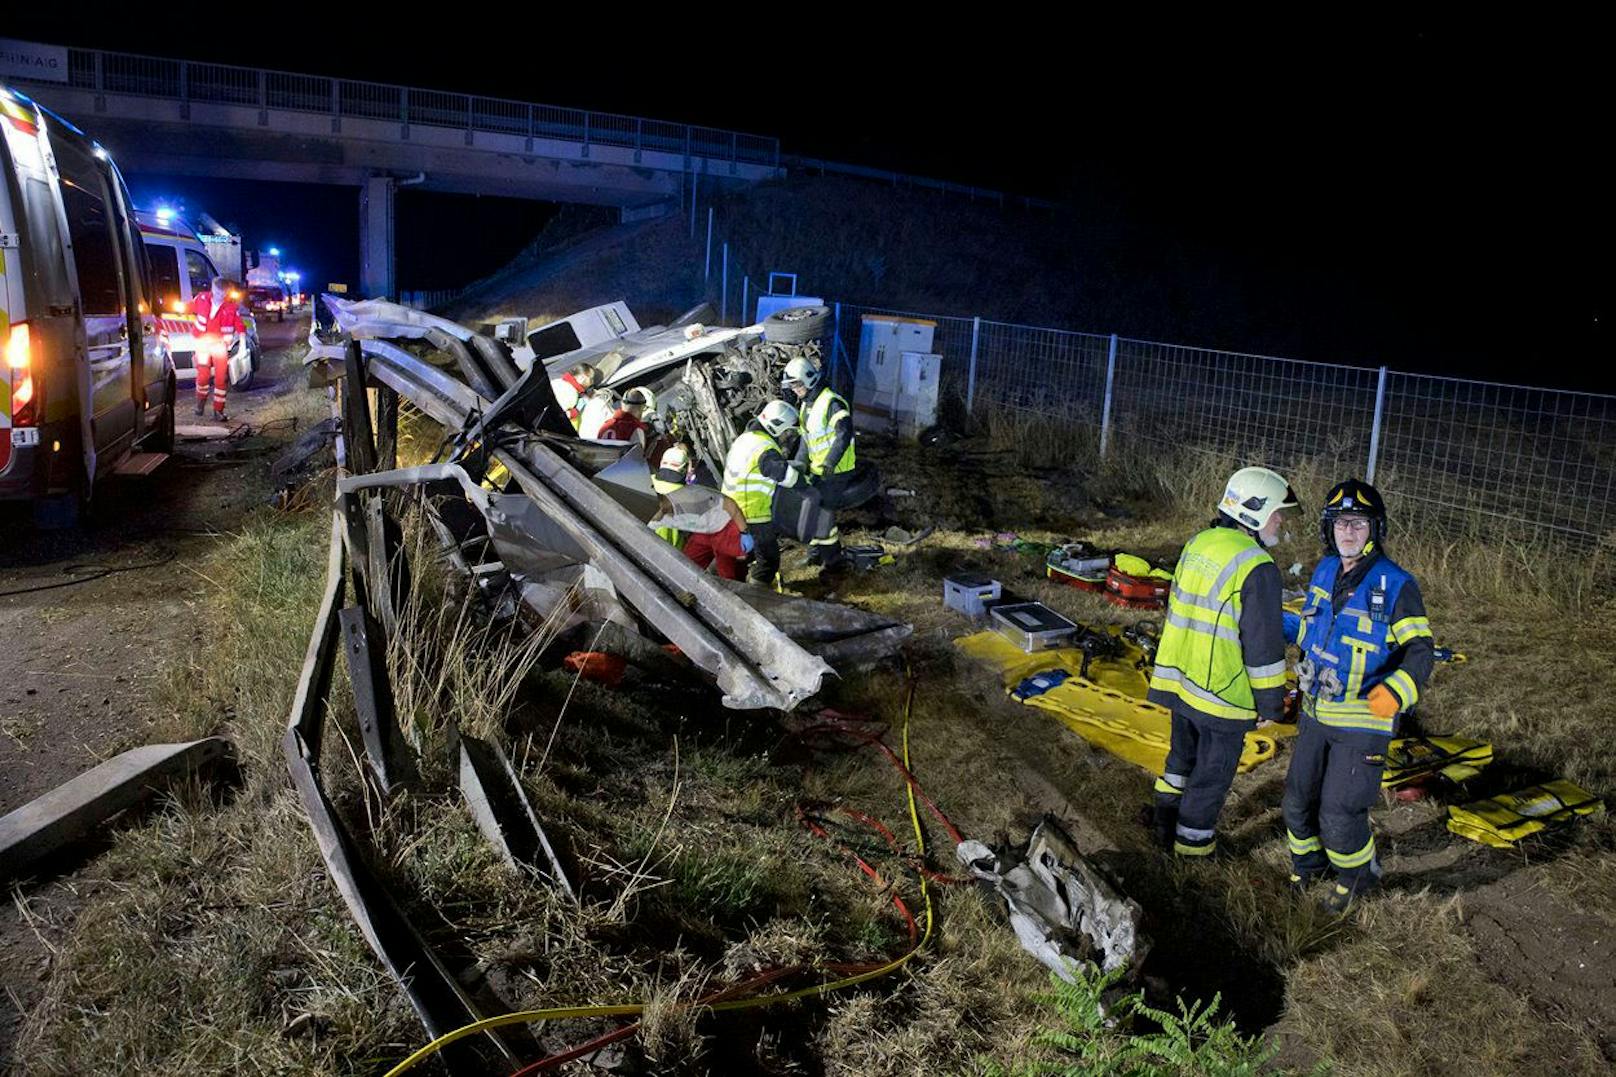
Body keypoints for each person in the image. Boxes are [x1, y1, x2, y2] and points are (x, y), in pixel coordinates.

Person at [1282, 479, 1433, 913]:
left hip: (1363, 720)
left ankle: (1358, 877)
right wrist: (1270, 622)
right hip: (1315, 711)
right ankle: (1308, 866)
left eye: (1358, 524)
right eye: (1339, 523)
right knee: (1296, 800)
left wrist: (1395, 693)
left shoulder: (1397, 584)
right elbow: (1311, 627)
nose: (1347, 532)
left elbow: (1420, 650)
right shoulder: (1325, 570)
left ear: (1374, 529)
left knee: (1339, 813)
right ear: (1328, 529)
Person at [1148, 466, 1298, 857]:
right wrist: (1271, 705)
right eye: (1276, 513)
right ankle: (1193, 849)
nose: (1280, 521)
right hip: (1223, 695)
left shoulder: (1200, 543)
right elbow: (1263, 648)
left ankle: (1163, 821)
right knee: (1211, 777)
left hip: (1181, 681)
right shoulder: (1257, 567)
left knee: (1180, 758)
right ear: (1253, 512)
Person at [780, 356, 857, 566]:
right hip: (818, 470)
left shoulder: (831, 402)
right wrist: (797, 465)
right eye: (791, 385)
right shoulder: (806, 406)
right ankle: (815, 555)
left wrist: (830, 463)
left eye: (796, 384)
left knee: (823, 516)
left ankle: (833, 560)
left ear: (808, 379)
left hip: (837, 471)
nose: (795, 389)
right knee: (809, 510)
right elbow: (807, 441)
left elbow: (844, 434)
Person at [721, 400, 804, 585]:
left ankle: (725, 584)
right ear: (777, 425)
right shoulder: (766, 448)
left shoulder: (745, 438)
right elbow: (786, 476)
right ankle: (757, 596)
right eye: (786, 431)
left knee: (736, 554)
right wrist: (804, 483)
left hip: (728, 509)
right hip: (752, 514)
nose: (786, 436)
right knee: (768, 560)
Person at [647, 456, 755, 580]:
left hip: (724, 527)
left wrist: (744, 532)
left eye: (658, 512)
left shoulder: (692, 495)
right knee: (687, 567)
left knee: (729, 574)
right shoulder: (652, 518)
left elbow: (729, 504)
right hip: (703, 532)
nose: (656, 518)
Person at [190, 277, 245, 421]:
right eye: (216, 291)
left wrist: (243, 344)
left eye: (221, 293)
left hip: (219, 345)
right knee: (203, 376)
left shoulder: (231, 307)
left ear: (226, 292)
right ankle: (200, 403)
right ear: (213, 289)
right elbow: (188, 310)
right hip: (202, 343)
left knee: (221, 378)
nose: (218, 295)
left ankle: (218, 411)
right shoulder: (201, 298)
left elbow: (240, 326)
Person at [549, 362, 598, 431]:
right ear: (582, 378)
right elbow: (559, 416)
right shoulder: (571, 393)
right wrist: (576, 410)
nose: (592, 382)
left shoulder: (557, 381)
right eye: (591, 379)